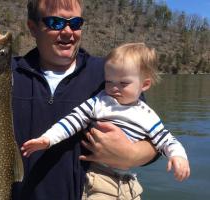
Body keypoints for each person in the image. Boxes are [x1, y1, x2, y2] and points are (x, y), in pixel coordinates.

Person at [0, 0, 159, 199]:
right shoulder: (7, 73)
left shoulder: (110, 76)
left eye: (75, 23)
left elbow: (155, 141)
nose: (68, 31)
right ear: (33, 28)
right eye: (55, 23)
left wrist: (131, 154)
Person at [21, 42, 191, 199]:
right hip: (98, 177)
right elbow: (73, 120)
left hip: (130, 183)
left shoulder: (148, 115)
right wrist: (48, 139)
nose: (114, 88)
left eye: (124, 83)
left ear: (144, 85)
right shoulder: (100, 101)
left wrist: (178, 156)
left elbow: (166, 140)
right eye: (109, 81)